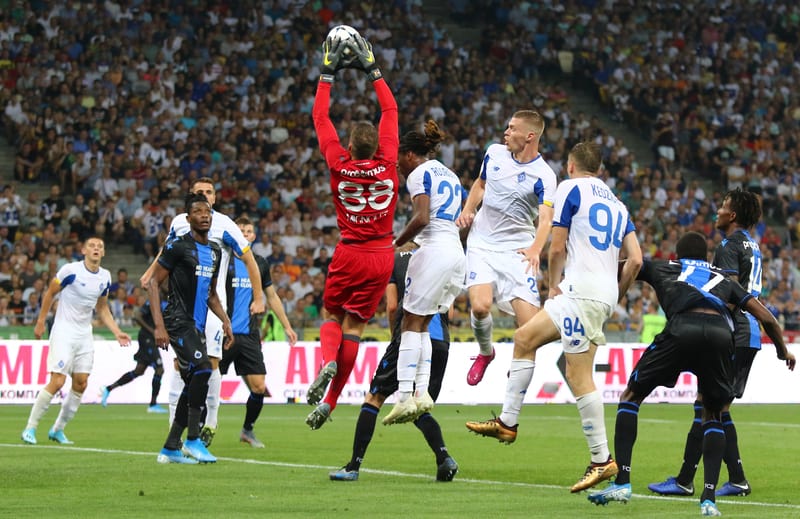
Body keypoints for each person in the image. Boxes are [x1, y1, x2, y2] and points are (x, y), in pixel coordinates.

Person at [465, 141, 643, 493]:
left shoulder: (569, 188)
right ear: (601, 170)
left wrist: (552, 287)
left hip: (578, 291)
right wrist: (613, 295)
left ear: (571, 166)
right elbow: (635, 259)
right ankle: (508, 422)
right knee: (525, 338)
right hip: (601, 294)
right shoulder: (618, 204)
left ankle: (602, 459)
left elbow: (557, 245)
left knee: (578, 377)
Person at [587, 231, 795, 516]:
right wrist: (783, 351)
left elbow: (628, 263)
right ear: (705, 257)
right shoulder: (725, 279)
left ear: (677, 253)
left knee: (631, 396)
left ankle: (622, 481)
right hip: (721, 336)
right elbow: (767, 317)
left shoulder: (666, 266)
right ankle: (709, 499)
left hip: (682, 328)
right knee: (714, 413)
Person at [304, 32, 399, 430]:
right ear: (378, 145)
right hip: (380, 256)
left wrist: (327, 72)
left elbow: (319, 118)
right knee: (356, 327)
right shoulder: (389, 162)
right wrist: (372, 68)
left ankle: (327, 357)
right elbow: (390, 110)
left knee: (331, 314)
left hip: (349, 250)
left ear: (349, 145)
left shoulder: (338, 163)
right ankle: (332, 399)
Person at [649, 188, 768, 497]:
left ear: (734, 215)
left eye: (723, 207)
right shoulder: (752, 245)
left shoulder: (728, 246)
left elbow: (726, 296)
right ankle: (734, 478)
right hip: (750, 331)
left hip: (734, 330)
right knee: (716, 407)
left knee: (707, 405)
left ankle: (686, 480)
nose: (718, 211)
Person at [140, 177, 265, 447]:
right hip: (182, 308)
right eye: (199, 192)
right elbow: (167, 251)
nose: (204, 196)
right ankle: (178, 429)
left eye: (209, 192)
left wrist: (258, 296)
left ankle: (209, 425)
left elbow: (248, 258)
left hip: (212, 306)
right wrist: (150, 273)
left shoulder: (225, 225)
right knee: (181, 366)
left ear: (215, 198)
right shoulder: (179, 223)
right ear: (190, 197)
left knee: (210, 364)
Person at [329, 247, 458, 482]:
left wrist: (395, 338)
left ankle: (353, 466)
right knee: (417, 405)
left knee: (374, 398)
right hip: (439, 342)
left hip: (410, 335)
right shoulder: (440, 256)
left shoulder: (395, 260)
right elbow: (449, 310)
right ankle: (444, 459)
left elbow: (390, 306)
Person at [455, 110, 557, 386]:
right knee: (479, 306)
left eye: (513, 129)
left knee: (530, 328)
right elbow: (481, 184)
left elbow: (546, 218)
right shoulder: (495, 153)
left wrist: (536, 249)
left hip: (518, 250)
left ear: (530, 136)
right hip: (482, 244)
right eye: (508, 127)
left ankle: (519, 367)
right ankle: (486, 353)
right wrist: (468, 208)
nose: (506, 132)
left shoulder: (544, 175)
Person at [380, 120, 465, 425]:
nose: (398, 166)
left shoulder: (418, 174)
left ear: (410, 155)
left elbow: (422, 217)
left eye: (399, 159)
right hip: (456, 254)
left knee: (409, 321)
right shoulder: (451, 175)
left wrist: (396, 243)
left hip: (434, 251)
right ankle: (422, 393)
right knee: (424, 322)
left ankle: (404, 396)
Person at [148, 193, 233, 464]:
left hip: (196, 325)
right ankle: (194, 439)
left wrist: (225, 320)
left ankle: (171, 446)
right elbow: (152, 283)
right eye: (197, 211)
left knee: (193, 380)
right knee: (205, 368)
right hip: (176, 320)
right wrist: (159, 326)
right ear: (188, 219)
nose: (204, 215)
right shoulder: (177, 247)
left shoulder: (216, 252)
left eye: (207, 211)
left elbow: (210, 294)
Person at [21, 236, 131, 445]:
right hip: (63, 331)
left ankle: (57, 430)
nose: (96, 248)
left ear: (104, 253)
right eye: (92, 245)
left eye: (100, 246)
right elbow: (50, 293)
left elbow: (102, 308)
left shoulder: (105, 277)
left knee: (81, 383)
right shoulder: (70, 271)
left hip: (84, 334)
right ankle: (30, 428)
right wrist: (41, 321)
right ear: (83, 250)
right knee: (58, 381)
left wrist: (117, 331)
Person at [221, 216, 298, 448]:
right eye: (240, 230)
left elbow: (271, 296)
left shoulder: (260, 263)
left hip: (249, 334)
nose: (244, 233)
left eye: (248, 230)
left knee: (258, 387)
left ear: (254, 237)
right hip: (224, 333)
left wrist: (287, 326)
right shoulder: (224, 260)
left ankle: (247, 430)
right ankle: (204, 428)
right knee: (209, 383)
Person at [98, 293, 168, 414]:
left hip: (150, 339)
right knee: (159, 369)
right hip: (146, 338)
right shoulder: (152, 300)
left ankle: (108, 389)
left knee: (139, 371)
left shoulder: (165, 301)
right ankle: (153, 404)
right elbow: (137, 316)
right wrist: (152, 331)